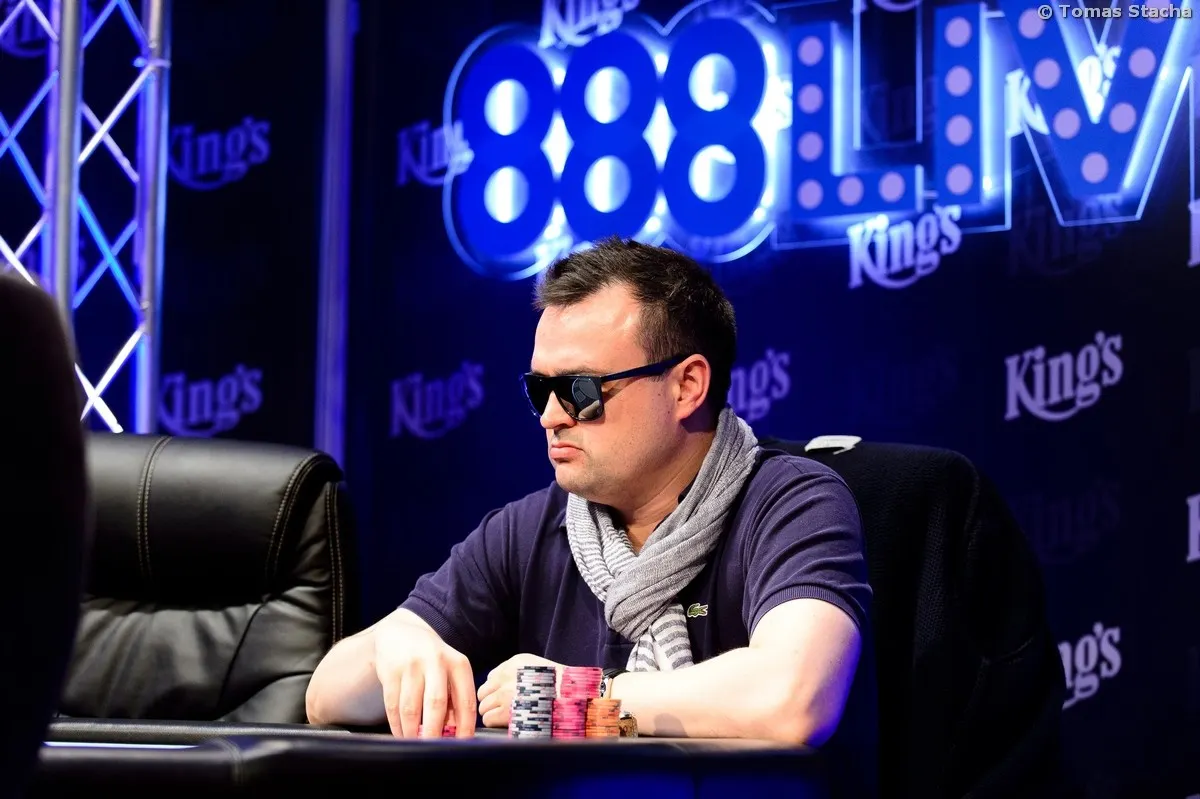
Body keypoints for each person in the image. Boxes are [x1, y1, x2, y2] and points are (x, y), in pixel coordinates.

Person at [306, 237, 873, 751]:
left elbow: (795, 698)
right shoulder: (526, 530)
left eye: (580, 389)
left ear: (687, 386)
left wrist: (582, 698)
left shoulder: (793, 502)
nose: (551, 417)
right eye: (540, 389)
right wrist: (397, 645)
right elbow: (325, 696)